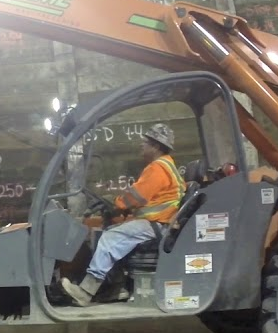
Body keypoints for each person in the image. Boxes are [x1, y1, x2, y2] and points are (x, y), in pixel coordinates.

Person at [61, 123, 185, 306]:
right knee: (112, 232)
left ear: (156, 146)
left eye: (145, 142)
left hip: (156, 224)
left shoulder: (158, 168)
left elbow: (137, 196)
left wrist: (118, 205)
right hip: (158, 223)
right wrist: (119, 206)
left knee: (109, 238)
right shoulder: (168, 166)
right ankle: (116, 289)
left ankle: (86, 291)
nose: (141, 145)